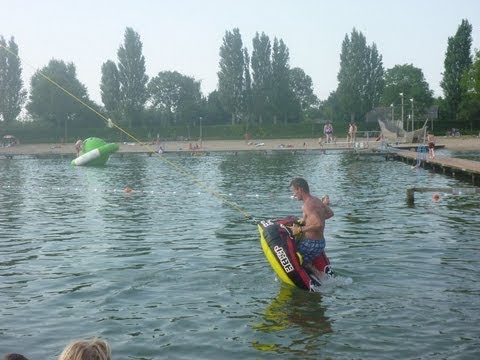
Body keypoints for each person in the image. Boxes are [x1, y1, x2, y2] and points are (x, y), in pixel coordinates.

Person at [288, 178, 334, 280]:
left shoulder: (308, 205)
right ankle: (318, 274)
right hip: (320, 242)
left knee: (293, 258)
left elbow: (318, 224)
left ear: (300, 189)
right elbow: (330, 213)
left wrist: (300, 230)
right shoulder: (316, 200)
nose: (294, 195)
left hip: (312, 243)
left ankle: (320, 276)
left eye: (294, 191)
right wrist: (307, 221)